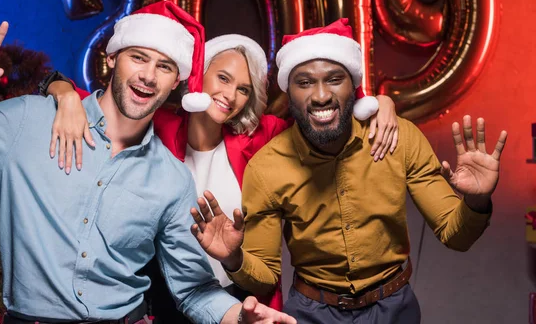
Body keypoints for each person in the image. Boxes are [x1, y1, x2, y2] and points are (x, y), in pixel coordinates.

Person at [0, 1, 295, 324]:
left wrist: (241, 318)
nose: (149, 76)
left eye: (165, 66)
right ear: (110, 58)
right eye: (137, 57)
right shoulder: (27, 122)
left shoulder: (172, 178)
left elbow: (193, 290)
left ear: (176, 83)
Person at [43, 32, 399, 322]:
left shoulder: (262, 136)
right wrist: (61, 91)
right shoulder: (159, 123)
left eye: (244, 89)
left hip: (239, 298)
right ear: (200, 76)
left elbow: (321, 116)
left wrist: (381, 103)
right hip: (167, 298)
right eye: (223, 78)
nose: (230, 95)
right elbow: (91, 98)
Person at [188, 18, 508, 324]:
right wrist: (233, 259)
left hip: (395, 308)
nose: (321, 95)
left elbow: (456, 235)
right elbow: (265, 277)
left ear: (353, 86)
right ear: (289, 94)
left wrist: (476, 202)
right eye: (304, 82)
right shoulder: (268, 165)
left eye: (334, 79)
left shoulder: (399, 138)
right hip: (312, 313)